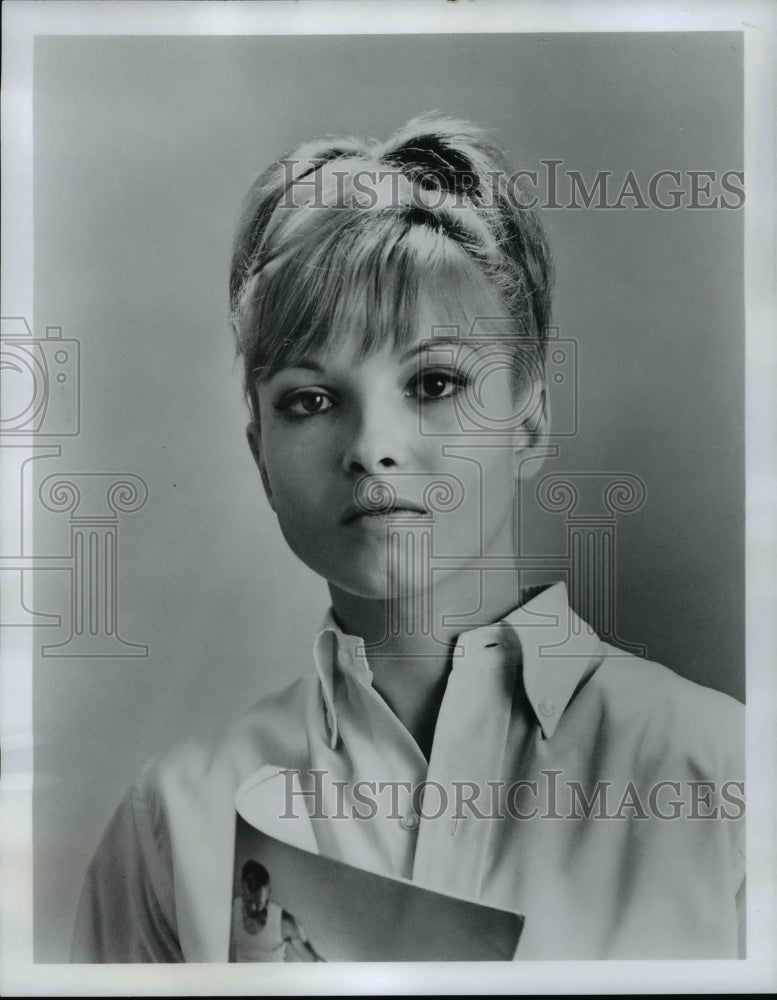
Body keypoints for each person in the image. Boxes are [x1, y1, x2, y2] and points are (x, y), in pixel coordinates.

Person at [70, 114, 744, 962]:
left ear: (528, 424)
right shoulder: (173, 821)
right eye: (311, 400)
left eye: (433, 382)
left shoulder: (721, 775)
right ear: (261, 455)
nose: (370, 447)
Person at [231, 860, 322, 962]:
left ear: (268, 889)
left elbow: (313, 962)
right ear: (243, 888)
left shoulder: (285, 923)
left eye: (258, 902)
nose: (253, 907)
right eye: (249, 900)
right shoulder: (231, 911)